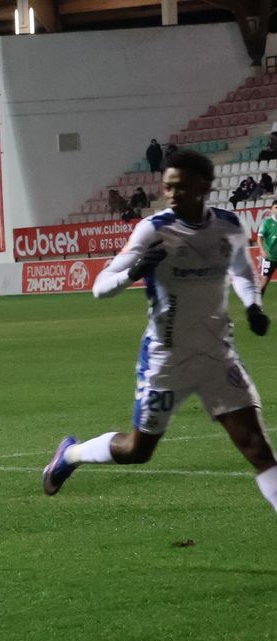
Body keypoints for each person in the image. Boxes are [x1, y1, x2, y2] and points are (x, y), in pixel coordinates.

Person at [42, 151, 275, 507]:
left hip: (217, 356)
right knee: (137, 450)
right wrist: (134, 273)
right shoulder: (153, 230)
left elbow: (242, 271)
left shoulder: (228, 226)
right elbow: (100, 287)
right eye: (167, 187)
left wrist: (253, 305)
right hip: (166, 360)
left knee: (257, 448)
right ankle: (70, 455)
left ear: (204, 186)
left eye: (180, 187)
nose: (172, 194)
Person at [261, 204, 277, 297]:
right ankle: (257, 302)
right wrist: (262, 250)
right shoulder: (267, 222)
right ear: (272, 209)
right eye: (276, 207)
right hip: (269, 257)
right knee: (264, 282)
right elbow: (259, 237)